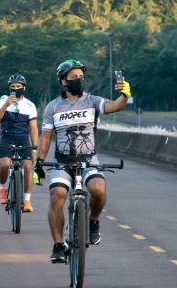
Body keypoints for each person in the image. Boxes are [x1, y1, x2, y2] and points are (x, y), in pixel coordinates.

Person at [34, 59, 131, 263]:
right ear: (63, 82)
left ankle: (93, 222)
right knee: (57, 195)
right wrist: (39, 163)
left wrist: (125, 95)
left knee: (98, 189)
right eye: (74, 77)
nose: (79, 80)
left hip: (88, 158)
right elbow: (45, 138)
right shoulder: (53, 107)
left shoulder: (92, 101)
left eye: (81, 77)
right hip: (63, 162)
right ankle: (58, 245)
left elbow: (114, 106)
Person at [0, 73, 39, 212]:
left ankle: (26, 200)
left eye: (18, 86)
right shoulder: (3, 101)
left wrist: (35, 149)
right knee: (5, 163)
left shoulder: (30, 105)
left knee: (28, 165)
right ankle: (2, 189)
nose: (16, 88)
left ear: (23, 88)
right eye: (13, 86)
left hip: (23, 138)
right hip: (7, 137)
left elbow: (34, 128)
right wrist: (7, 104)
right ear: (9, 88)